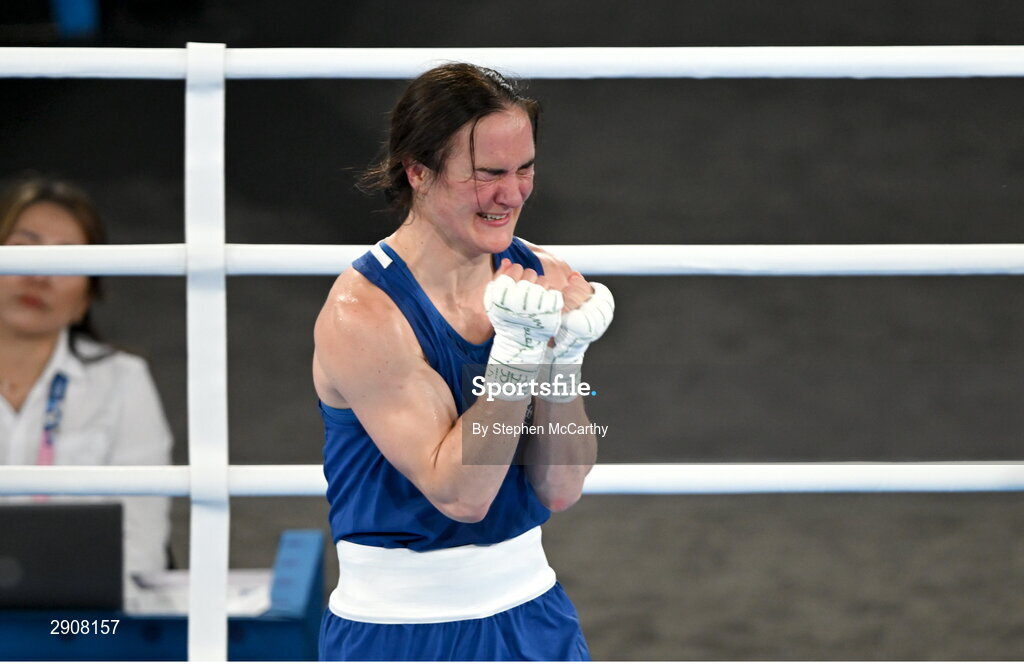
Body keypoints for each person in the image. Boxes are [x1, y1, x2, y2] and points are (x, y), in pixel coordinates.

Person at [312, 63, 615, 661]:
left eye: (524, 168)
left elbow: (561, 486)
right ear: (418, 172)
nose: (513, 193)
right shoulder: (364, 315)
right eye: (488, 174)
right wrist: (518, 351)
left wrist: (562, 360)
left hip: (532, 613)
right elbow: (462, 494)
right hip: (399, 633)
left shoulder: (542, 276)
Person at [0, 177, 173, 576]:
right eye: (24, 247)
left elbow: (141, 550)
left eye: (66, 258)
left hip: (73, 623)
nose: (39, 273)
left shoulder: (123, 381)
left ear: (86, 299)